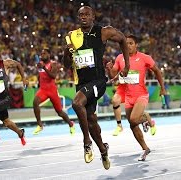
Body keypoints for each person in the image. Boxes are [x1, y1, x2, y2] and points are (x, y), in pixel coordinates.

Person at [63, 6, 130, 170]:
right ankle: (103, 150)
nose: (83, 17)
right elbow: (66, 65)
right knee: (92, 121)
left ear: (93, 16)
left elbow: (122, 39)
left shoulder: (103, 32)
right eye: (80, 15)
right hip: (82, 84)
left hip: (98, 81)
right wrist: (67, 52)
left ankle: (86, 142)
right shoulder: (72, 36)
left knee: (77, 104)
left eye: (87, 14)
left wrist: (126, 65)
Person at [106, 34, 166, 161]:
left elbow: (156, 71)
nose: (128, 46)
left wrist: (162, 87)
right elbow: (113, 75)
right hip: (128, 96)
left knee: (134, 119)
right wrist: (109, 69)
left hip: (141, 95)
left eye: (131, 43)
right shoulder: (120, 58)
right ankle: (145, 149)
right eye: (126, 43)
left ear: (136, 45)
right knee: (132, 125)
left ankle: (147, 118)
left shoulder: (144, 58)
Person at [32, 48, 75, 135]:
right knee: (35, 102)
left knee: (59, 112)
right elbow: (40, 75)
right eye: (41, 54)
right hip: (43, 90)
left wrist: (44, 67)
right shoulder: (40, 64)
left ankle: (71, 124)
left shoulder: (53, 64)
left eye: (44, 53)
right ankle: (40, 125)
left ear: (49, 54)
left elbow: (53, 76)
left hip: (52, 91)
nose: (42, 55)